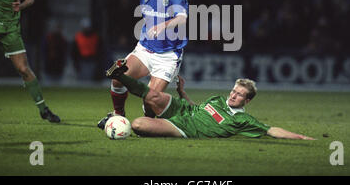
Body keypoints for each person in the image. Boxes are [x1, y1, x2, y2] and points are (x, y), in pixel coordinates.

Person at [99, 59, 315, 140]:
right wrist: (182, 93)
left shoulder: (243, 121)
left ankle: (131, 123)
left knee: (138, 124)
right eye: (233, 90)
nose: (233, 95)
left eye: (239, 94)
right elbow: (199, 107)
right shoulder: (219, 100)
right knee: (154, 95)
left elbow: (271, 130)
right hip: (184, 109)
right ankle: (119, 76)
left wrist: (301, 137)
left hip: (186, 127)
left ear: (247, 101)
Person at [107, 0, 189, 118]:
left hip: (167, 56)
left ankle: (152, 114)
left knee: (150, 103)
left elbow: (182, 18)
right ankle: (118, 116)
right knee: (117, 78)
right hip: (145, 50)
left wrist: (163, 26)